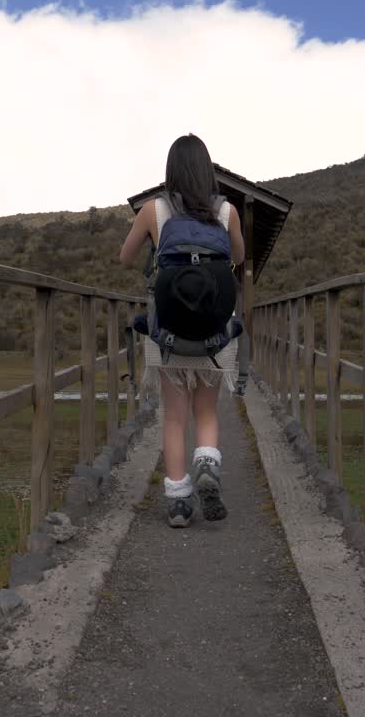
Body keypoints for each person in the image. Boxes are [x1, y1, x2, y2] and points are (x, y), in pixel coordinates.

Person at [119, 134, 245, 528]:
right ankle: (207, 462)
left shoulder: (152, 210)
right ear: (207, 170)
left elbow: (124, 257)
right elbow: (239, 259)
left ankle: (177, 503)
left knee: (173, 417)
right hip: (214, 334)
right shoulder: (227, 211)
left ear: (170, 170)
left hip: (167, 332)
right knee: (206, 411)